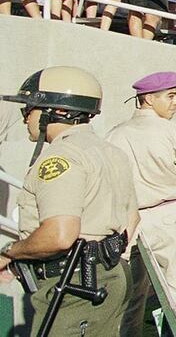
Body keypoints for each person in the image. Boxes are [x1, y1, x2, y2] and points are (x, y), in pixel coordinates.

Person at [0, 66, 138, 335]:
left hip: (74, 285)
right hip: (110, 274)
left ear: (58, 111)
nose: (25, 117)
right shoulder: (110, 151)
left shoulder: (61, 157)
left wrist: (10, 252)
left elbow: (60, 236)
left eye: (30, 109)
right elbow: (131, 221)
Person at [107, 72, 176, 326]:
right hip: (169, 215)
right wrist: (174, 196)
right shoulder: (171, 130)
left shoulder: (115, 134)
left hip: (130, 220)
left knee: (131, 294)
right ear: (149, 99)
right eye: (170, 96)